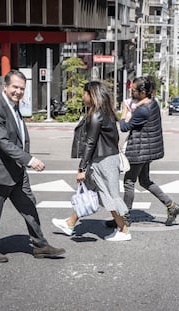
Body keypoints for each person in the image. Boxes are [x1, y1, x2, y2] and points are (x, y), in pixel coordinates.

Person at [0, 69, 65, 263]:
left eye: (22, 88)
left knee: (29, 205)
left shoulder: (12, 105)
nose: (18, 91)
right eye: (15, 87)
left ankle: (40, 245)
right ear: (5, 86)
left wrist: (22, 162)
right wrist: (29, 159)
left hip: (16, 169)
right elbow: (3, 142)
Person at [52, 81, 131, 241]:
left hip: (103, 161)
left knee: (109, 194)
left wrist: (81, 168)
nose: (83, 96)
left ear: (92, 95)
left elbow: (90, 142)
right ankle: (70, 223)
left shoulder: (96, 114)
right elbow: (114, 137)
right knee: (88, 189)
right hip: (105, 158)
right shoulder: (107, 112)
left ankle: (124, 230)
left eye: (84, 93)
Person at [116, 75, 179, 227]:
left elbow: (124, 127)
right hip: (147, 150)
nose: (131, 92)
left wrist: (124, 111)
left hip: (139, 150)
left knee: (129, 182)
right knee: (144, 181)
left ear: (143, 92)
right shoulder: (152, 103)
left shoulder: (142, 110)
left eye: (133, 90)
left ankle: (124, 218)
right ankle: (171, 206)